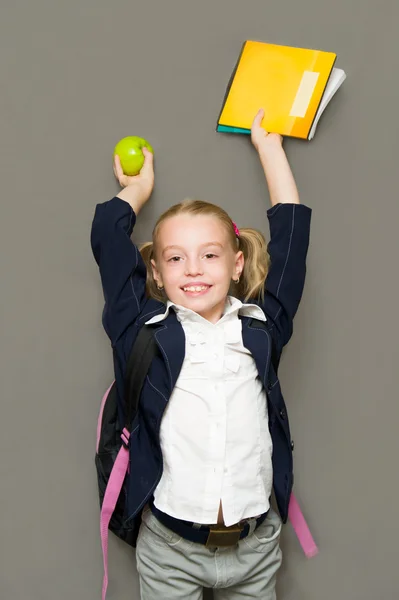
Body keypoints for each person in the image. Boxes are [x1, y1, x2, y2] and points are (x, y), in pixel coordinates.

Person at [91, 109, 312, 599]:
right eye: (175, 258)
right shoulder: (139, 331)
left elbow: (293, 243)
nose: (193, 268)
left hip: (256, 549)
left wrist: (269, 149)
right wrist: (137, 190)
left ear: (236, 265)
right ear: (156, 273)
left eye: (210, 254)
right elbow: (108, 231)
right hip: (169, 549)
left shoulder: (261, 330)